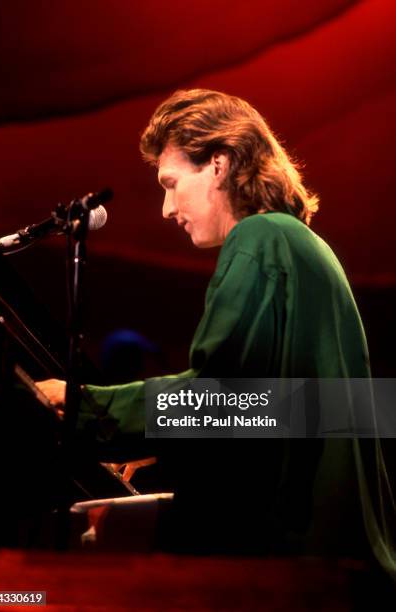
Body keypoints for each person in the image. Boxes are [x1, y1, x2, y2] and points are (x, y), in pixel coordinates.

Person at [38, 89, 371, 555]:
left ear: (219, 163)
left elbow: (221, 393)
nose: (166, 208)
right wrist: (170, 438)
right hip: (339, 549)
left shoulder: (259, 237)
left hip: (292, 557)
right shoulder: (304, 246)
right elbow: (288, 407)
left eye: (171, 183)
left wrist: (84, 406)